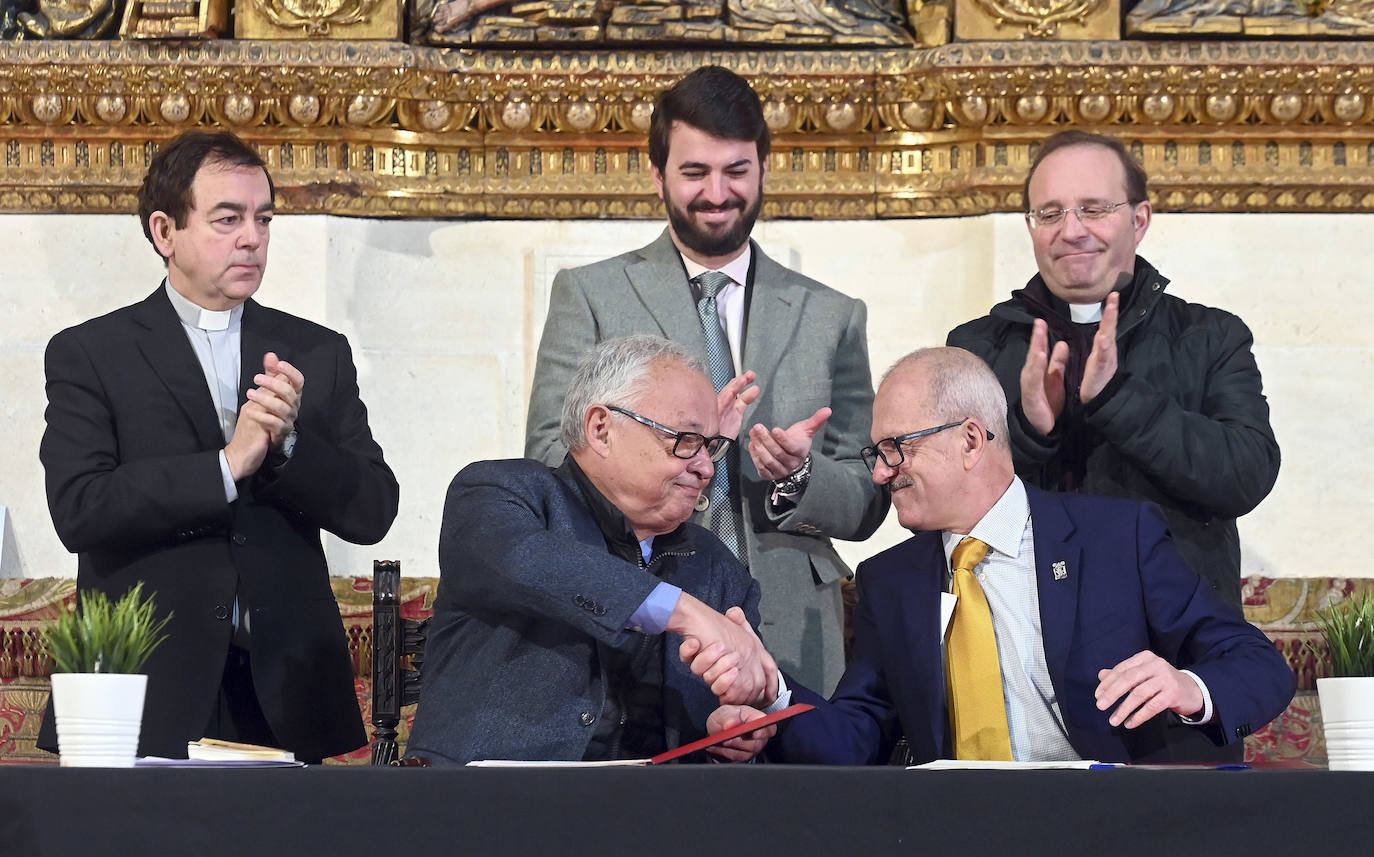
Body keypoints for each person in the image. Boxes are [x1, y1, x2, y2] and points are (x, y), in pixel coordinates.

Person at [705, 348, 1294, 765]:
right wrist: (773, 694)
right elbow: (858, 735)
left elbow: (1257, 664)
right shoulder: (891, 580)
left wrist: (1190, 687)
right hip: (962, 832)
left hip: (1113, 824)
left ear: (969, 440)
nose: (882, 473)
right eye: (876, 454)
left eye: (895, 450)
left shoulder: (1117, 539)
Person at [525, 65, 887, 695]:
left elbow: (870, 497)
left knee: (798, 796)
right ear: (657, 173)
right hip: (640, 615)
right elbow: (552, 460)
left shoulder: (833, 315)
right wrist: (678, 452)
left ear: (765, 168)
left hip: (794, 630)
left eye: (736, 171)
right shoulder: (589, 295)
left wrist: (799, 478)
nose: (717, 192)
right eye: (695, 172)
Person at [38, 130, 399, 762]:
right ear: (164, 231)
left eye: (263, 219)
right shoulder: (93, 353)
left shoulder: (316, 351)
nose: (252, 238)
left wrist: (288, 448)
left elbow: (372, 509)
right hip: (149, 684)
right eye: (227, 219)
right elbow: (80, 508)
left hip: (284, 688)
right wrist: (225, 468)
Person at [406, 336, 784, 765]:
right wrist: (685, 611)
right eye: (685, 439)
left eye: (711, 446)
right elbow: (528, 561)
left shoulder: (714, 563)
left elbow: (743, 707)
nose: (705, 466)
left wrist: (731, 734)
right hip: (493, 802)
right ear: (602, 429)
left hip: (657, 814)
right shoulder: (501, 494)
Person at [947, 130, 1279, 614]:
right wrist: (1027, 430)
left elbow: (1245, 475)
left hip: (1172, 631)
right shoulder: (977, 346)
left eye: (1094, 208)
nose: (1072, 229)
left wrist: (1118, 400)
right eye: (1050, 213)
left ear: (1139, 219)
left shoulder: (1211, 336)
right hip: (1020, 627)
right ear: (1031, 226)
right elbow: (948, 493)